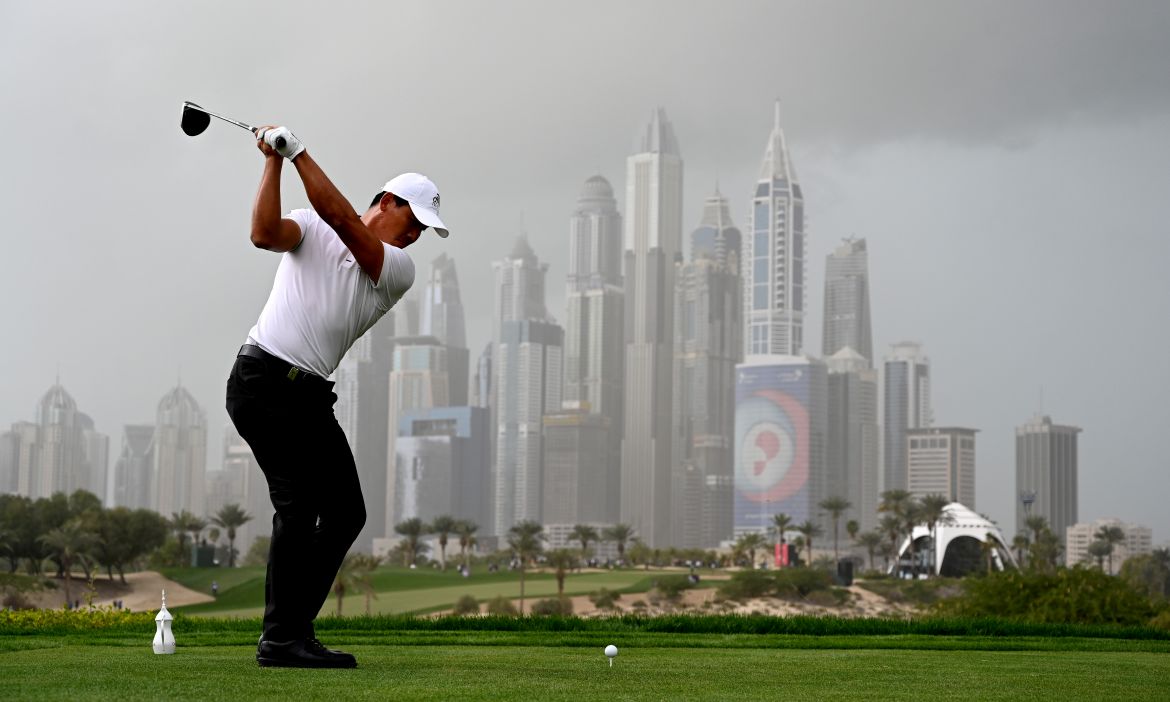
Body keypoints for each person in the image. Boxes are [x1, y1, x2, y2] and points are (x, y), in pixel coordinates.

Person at [225, 125, 448, 669]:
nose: (416, 235)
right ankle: (281, 640)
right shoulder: (307, 227)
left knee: (346, 512)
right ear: (388, 202)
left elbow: (345, 222)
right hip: (262, 380)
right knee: (298, 506)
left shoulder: (398, 268)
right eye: (414, 221)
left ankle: (293, 630)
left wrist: (299, 152)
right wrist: (274, 162)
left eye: (423, 229)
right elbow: (261, 234)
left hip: (308, 398)